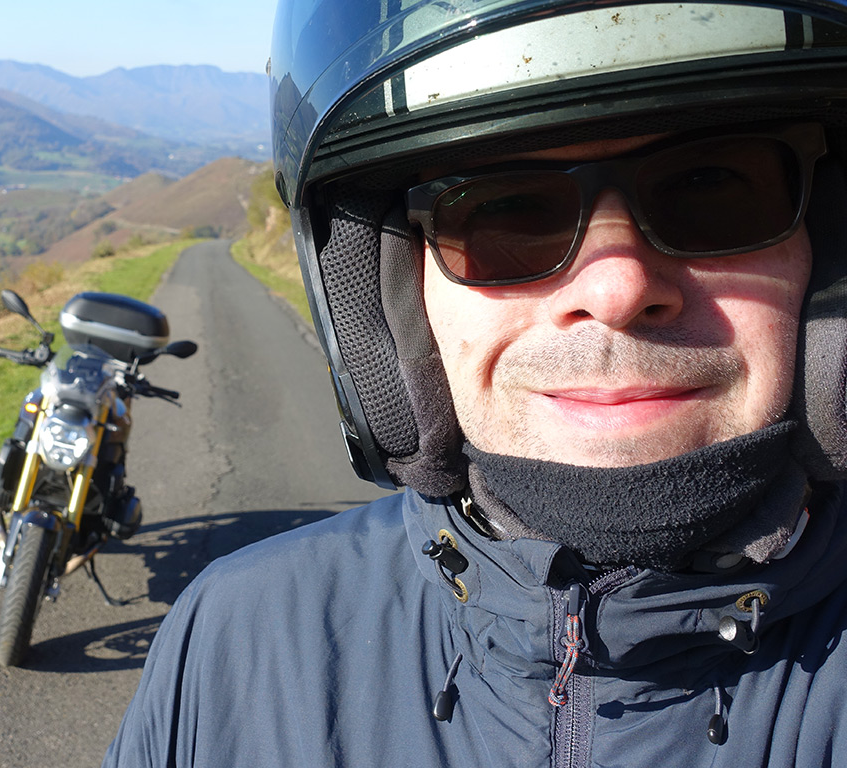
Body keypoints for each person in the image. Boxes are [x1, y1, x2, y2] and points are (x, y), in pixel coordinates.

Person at [104, 0, 847, 764]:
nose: (617, 289)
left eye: (714, 191)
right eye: (505, 213)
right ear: (397, 296)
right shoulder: (233, 648)